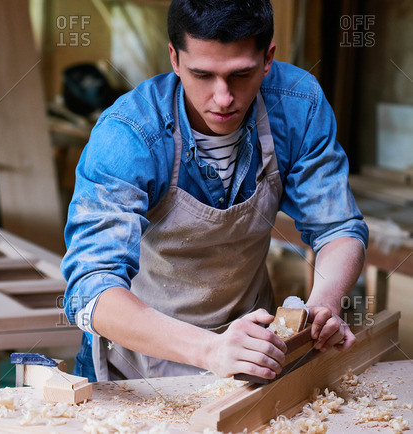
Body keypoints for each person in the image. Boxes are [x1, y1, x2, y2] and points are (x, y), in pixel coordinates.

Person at [61, 0, 368, 383]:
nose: (223, 98)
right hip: (136, 366)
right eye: (202, 74)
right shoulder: (130, 134)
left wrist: (322, 306)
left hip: (251, 358)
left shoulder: (297, 105)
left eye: (241, 75)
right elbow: (90, 291)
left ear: (267, 58)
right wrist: (209, 349)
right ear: (174, 58)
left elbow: (338, 229)